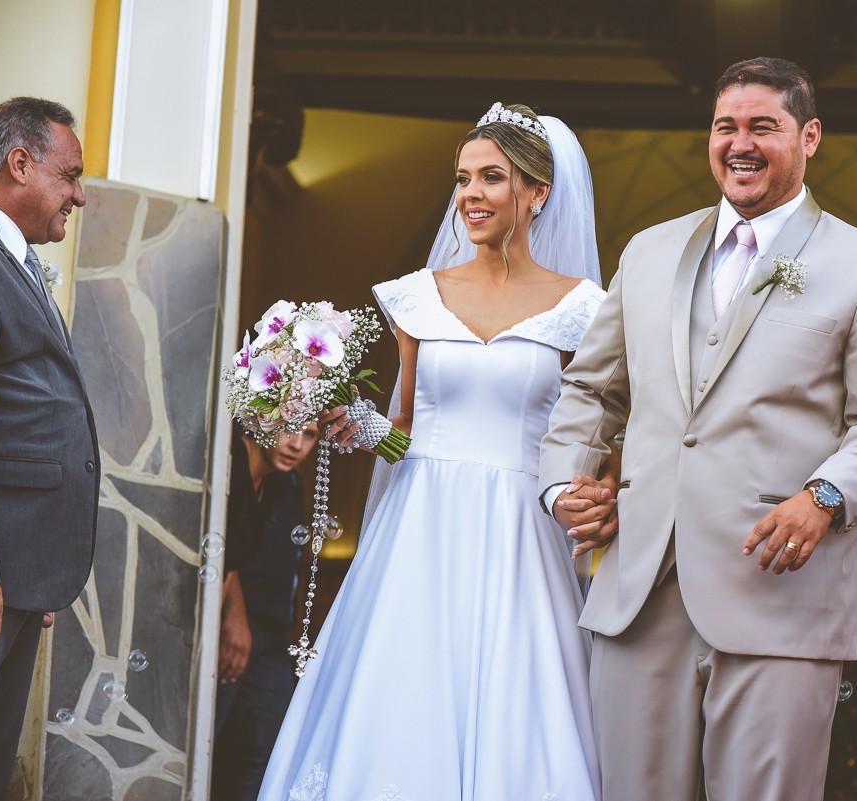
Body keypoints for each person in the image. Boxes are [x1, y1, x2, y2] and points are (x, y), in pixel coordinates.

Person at [539, 57, 857, 800]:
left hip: (779, 590)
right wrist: (563, 483)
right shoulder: (647, 251)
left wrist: (824, 495)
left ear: (809, 137)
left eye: (763, 127)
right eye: (725, 126)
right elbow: (590, 387)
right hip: (639, 591)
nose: (740, 143)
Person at [257, 103, 607, 800]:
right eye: (463, 179)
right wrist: (350, 419)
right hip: (420, 525)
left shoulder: (582, 309)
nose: (471, 195)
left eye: (492, 178)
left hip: (521, 528)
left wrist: (598, 492)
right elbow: (403, 428)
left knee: (516, 699)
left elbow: (596, 429)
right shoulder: (416, 299)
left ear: (538, 193)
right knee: (404, 691)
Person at [0, 97, 99, 797]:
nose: (79, 194)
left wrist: (34, 567)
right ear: (19, 164)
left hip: (17, 578)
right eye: (69, 175)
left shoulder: (10, 255)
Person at [212, 422, 318, 801]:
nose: (297, 445)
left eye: (310, 435)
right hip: (232, 621)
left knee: (271, 744)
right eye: (291, 429)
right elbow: (224, 551)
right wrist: (234, 616)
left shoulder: (285, 481)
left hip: (274, 632)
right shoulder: (231, 461)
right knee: (210, 736)